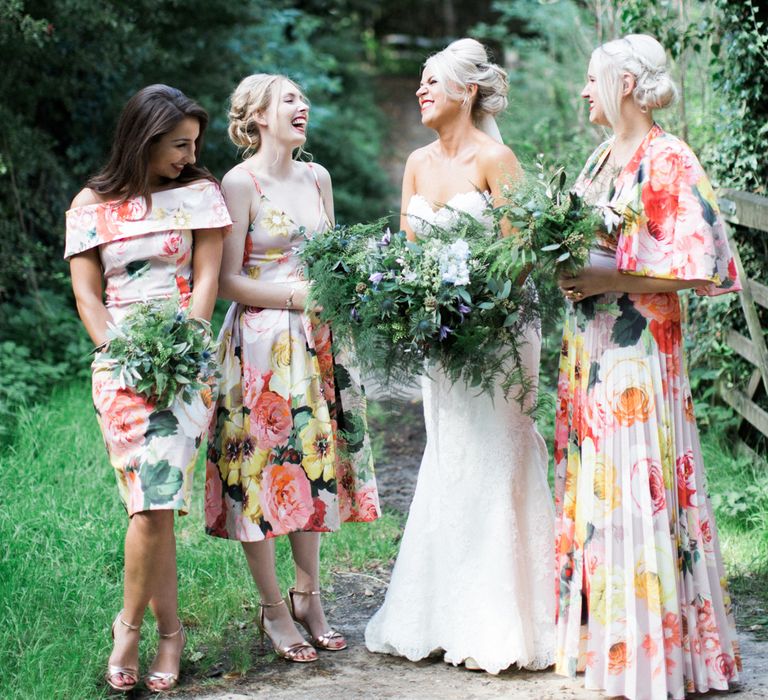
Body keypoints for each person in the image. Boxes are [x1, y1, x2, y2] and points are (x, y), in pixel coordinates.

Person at [554, 34, 742, 700]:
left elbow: (701, 265)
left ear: (625, 84)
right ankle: (617, 647)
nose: (583, 91)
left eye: (591, 78)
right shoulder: (602, 156)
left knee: (641, 489)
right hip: (596, 354)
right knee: (608, 498)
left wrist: (605, 279)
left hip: (639, 358)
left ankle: (658, 662)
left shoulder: (669, 158)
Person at [364, 38, 555, 674]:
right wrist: (412, 301)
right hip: (440, 347)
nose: (421, 91)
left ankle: (506, 620)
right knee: (448, 458)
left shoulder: (498, 159)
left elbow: (521, 259)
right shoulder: (417, 164)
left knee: (493, 456)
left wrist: (472, 301)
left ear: (466, 92)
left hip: (495, 341)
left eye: (432, 82)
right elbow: (407, 253)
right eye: (419, 82)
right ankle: (442, 612)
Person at [205, 73, 380, 663]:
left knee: (312, 464)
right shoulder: (240, 182)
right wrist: (299, 297)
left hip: (319, 340)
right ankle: (274, 608)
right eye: (289, 99)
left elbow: (331, 255)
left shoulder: (317, 177)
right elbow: (228, 280)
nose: (302, 107)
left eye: (303, 99)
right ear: (257, 116)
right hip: (260, 345)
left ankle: (310, 595)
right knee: (261, 469)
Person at [65, 85, 231, 693]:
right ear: (145, 138)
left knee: (155, 503)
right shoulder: (91, 204)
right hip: (119, 366)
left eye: (194, 144)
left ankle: (132, 627)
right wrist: (120, 350)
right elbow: (87, 295)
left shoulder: (201, 196)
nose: (189, 155)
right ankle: (167, 633)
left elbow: (207, 279)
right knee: (151, 506)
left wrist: (184, 347)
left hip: (185, 363)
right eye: (178, 145)